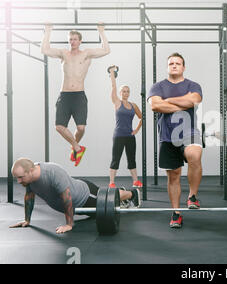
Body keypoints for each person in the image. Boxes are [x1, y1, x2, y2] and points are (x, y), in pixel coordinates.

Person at [9, 158, 141, 234]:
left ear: (31, 170)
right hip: (77, 207)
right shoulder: (29, 180)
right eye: (17, 178)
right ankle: (121, 195)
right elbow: (29, 198)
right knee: (99, 213)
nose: (19, 181)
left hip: (85, 196)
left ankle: (132, 194)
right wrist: (27, 220)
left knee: (108, 199)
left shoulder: (52, 172)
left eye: (21, 177)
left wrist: (69, 224)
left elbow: (66, 197)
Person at [41, 23, 110, 166]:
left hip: (79, 95)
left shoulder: (86, 54)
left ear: (80, 41)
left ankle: (75, 147)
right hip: (65, 95)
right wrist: (48, 31)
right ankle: (78, 148)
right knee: (59, 127)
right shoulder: (63, 54)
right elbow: (45, 49)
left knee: (81, 128)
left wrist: (101, 31)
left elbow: (106, 50)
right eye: (70, 39)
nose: (72, 42)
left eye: (74, 39)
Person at [147, 52, 203, 228]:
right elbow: (155, 105)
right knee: (174, 177)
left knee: (194, 155)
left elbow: (194, 101)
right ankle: (176, 213)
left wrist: (168, 101)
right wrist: (181, 102)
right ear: (167, 67)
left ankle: (192, 196)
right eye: (171, 63)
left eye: (178, 63)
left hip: (190, 131)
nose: (174, 65)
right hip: (167, 135)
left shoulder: (193, 85)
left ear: (183, 67)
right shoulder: (157, 86)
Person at [107, 66, 143, 189]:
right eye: (123, 91)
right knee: (115, 159)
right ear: (120, 93)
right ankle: (112, 182)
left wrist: (136, 130)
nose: (125, 93)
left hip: (130, 136)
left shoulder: (133, 105)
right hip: (118, 136)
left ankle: (136, 181)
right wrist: (112, 73)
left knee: (131, 159)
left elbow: (141, 117)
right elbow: (113, 87)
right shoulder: (117, 102)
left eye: (127, 91)